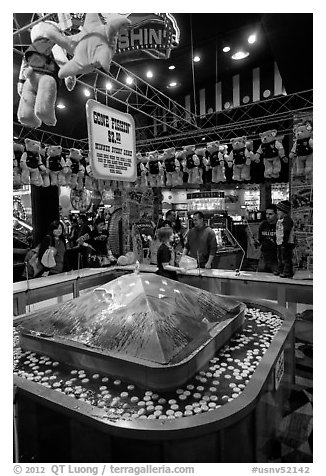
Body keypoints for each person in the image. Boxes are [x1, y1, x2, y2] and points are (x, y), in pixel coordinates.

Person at [256, 204, 278, 273]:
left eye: (270, 214)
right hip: (264, 255)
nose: (267, 216)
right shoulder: (263, 225)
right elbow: (260, 240)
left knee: (276, 279)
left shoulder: (279, 225)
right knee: (260, 277)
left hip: (276, 256)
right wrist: (256, 242)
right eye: (266, 214)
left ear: (276, 214)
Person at [275, 200, 295, 278]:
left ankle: (287, 272)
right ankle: (281, 270)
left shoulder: (287, 220)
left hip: (286, 243)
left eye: (278, 210)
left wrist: (284, 242)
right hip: (279, 242)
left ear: (284, 211)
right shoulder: (280, 220)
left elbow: (286, 232)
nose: (277, 212)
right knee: (280, 257)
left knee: (286, 258)